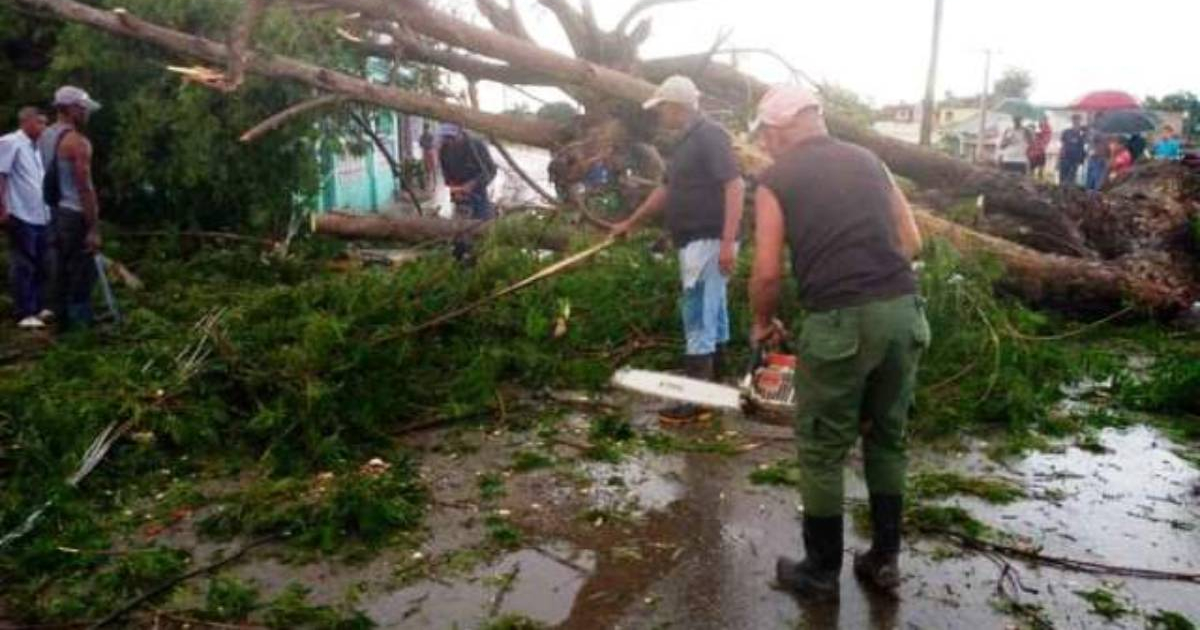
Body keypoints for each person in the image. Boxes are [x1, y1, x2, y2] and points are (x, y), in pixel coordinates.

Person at [747, 85, 927, 599]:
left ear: (779, 129)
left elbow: (765, 272)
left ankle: (821, 572)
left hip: (841, 318)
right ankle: (884, 561)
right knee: (887, 437)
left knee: (823, 448)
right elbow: (912, 240)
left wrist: (762, 322)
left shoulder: (775, 178)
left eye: (766, 134)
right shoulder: (871, 161)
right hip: (903, 310)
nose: (766, 144)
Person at [610, 75, 746, 424]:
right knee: (713, 313)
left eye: (662, 108)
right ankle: (718, 386)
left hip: (710, 239)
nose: (660, 115)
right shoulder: (685, 143)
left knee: (698, 313)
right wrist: (631, 223)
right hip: (694, 240)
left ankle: (697, 399)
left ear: (676, 106)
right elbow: (665, 189)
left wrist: (728, 241)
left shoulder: (709, 136)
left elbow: (734, 184)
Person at [40, 86, 102, 329]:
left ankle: (62, 323)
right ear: (72, 109)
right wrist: (94, 228)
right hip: (75, 213)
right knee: (82, 272)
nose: (87, 113)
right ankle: (80, 330)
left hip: (55, 213)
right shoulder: (77, 143)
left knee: (60, 269)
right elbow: (85, 187)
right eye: (84, 108)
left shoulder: (46, 136)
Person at [0, 106, 50, 329]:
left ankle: (38, 306)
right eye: (40, 122)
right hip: (20, 212)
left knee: (41, 261)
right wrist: (2, 208)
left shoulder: (38, 147)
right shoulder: (10, 142)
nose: (44, 127)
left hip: (40, 213)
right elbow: (1, 174)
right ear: (26, 122)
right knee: (23, 262)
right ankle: (24, 311)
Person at [1058, 114, 1088, 186]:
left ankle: (1069, 192)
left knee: (1071, 178)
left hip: (1075, 159)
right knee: (1062, 178)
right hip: (1065, 157)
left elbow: (1083, 146)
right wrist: (1061, 155)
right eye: (1075, 119)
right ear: (1072, 121)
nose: (1076, 121)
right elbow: (1062, 144)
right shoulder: (1066, 132)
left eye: (1078, 120)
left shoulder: (1082, 134)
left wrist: (1081, 158)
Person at [419, 123, 437, 191]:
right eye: (425, 128)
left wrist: (425, 145)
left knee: (432, 169)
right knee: (427, 170)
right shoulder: (423, 136)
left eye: (426, 128)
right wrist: (426, 145)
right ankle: (429, 185)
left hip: (430, 152)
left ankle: (434, 185)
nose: (426, 130)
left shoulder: (430, 135)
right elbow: (420, 143)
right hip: (426, 152)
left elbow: (432, 143)